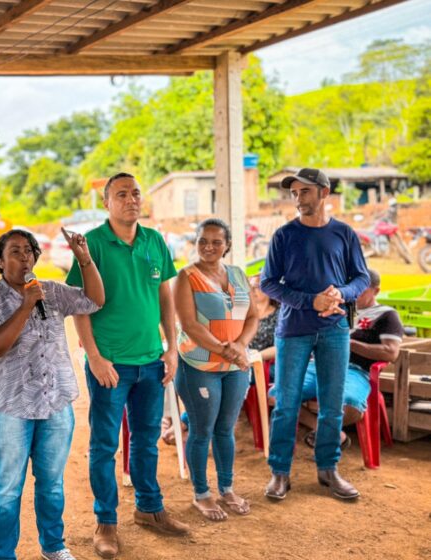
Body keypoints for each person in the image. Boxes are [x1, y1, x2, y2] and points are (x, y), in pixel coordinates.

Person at [66, 172, 188, 560]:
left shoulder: (154, 241)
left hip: (152, 361)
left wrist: (171, 348)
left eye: (136, 193)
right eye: (122, 194)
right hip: (110, 366)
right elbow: (79, 306)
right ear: (107, 203)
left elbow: (164, 295)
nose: (132, 199)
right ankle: (106, 522)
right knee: (104, 445)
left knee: (146, 439)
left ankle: (149, 509)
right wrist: (95, 357)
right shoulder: (93, 245)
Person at [0, 228, 103, 560]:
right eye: (15, 252)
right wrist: (26, 306)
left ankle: (53, 546)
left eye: (29, 251)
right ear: (0, 261)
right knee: (7, 489)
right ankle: (4, 554)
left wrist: (84, 260)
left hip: (56, 403)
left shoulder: (52, 292)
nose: (25, 257)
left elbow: (94, 300)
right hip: (11, 407)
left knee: (51, 484)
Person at [261, 167, 369, 501]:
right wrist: (312, 300)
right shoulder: (284, 235)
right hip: (293, 330)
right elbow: (268, 283)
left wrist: (340, 294)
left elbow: (361, 278)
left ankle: (328, 469)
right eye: (293, 193)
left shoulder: (344, 234)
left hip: (335, 329)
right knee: (286, 405)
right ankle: (280, 473)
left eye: (304, 191)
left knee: (332, 405)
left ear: (324, 192)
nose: (297, 198)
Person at [173, 218, 259, 521]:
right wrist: (227, 350)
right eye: (202, 241)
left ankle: (226, 488)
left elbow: (253, 317)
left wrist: (241, 346)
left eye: (216, 242)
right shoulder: (186, 276)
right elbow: (189, 325)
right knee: (201, 430)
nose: (209, 247)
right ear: (195, 243)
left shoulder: (237, 274)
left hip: (234, 367)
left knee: (225, 430)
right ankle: (202, 494)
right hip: (199, 365)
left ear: (228, 245)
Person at [298, 269, 403, 447]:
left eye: (361, 288)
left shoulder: (386, 314)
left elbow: (391, 353)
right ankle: (328, 432)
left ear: (375, 291)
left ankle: (325, 432)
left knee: (352, 406)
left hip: (354, 370)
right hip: (318, 365)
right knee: (278, 395)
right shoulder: (336, 309)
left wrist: (348, 343)